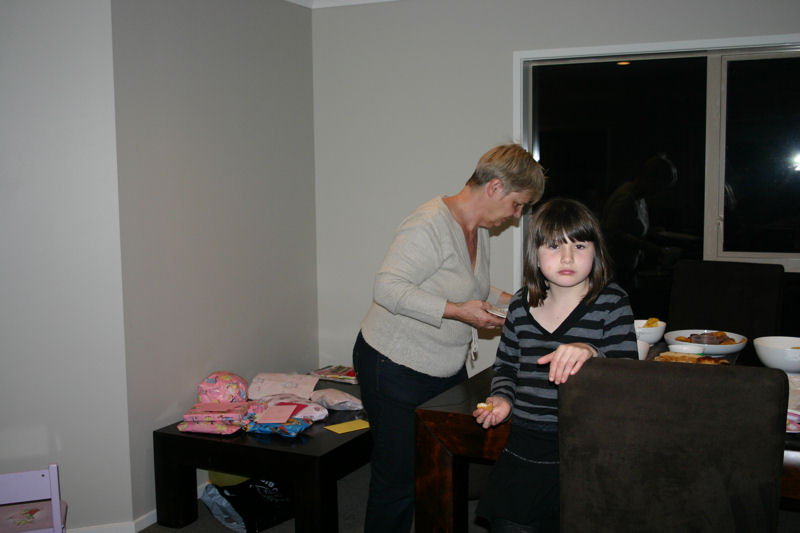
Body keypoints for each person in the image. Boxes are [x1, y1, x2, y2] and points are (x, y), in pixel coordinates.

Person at [353, 144, 546, 533]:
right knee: (398, 481)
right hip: (393, 366)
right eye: (518, 204)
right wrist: (459, 312)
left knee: (441, 467)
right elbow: (387, 288)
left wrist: (522, 303)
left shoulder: (478, 229)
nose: (516, 215)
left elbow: (475, 287)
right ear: (495, 187)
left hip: (444, 367)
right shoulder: (428, 224)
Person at [473, 198, 637, 533]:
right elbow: (506, 368)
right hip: (526, 446)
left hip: (587, 449)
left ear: (596, 252)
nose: (567, 257)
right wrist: (502, 398)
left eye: (579, 245)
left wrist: (591, 351)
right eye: (553, 246)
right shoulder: (520, 306)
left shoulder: (612, 302)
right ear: (535, 254)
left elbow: (629, 376)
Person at [600, 154, 679, 293]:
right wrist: (646, 246)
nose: (658, 193)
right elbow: (611, 232)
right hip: (617, 269)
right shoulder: (626, 198)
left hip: (628, 268)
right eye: (659, 187)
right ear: (651, 180)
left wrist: (650, 231)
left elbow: (629, 226)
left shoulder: (639, 197)